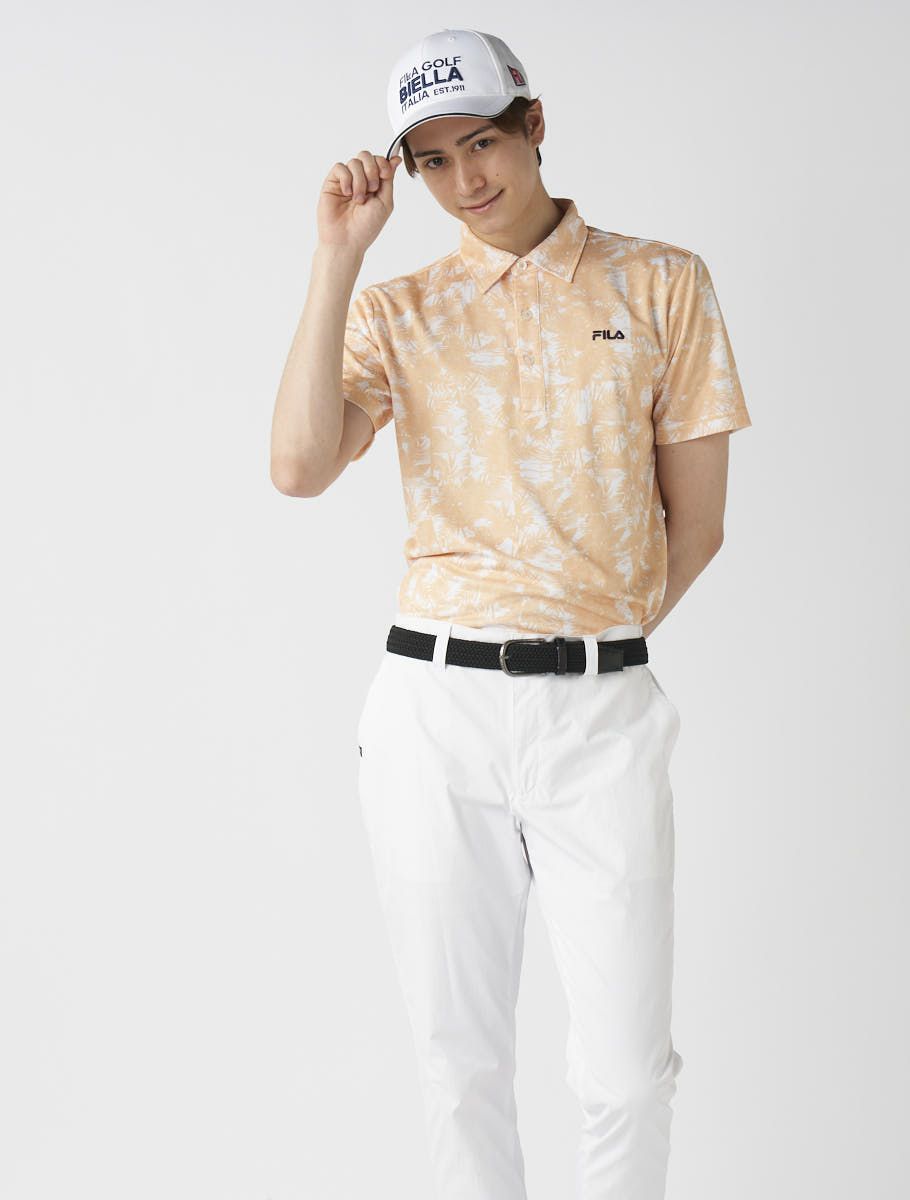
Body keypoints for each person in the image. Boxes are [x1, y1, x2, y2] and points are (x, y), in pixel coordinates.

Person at [270, 27, 751, 1200]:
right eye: (431, 161)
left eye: (480, 142)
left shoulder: (661, 283)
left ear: (534, 125)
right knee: (459, 1063)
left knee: (626, 1073)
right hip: (435, 716)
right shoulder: (399, 309)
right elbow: (298, 466)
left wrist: (590, 637)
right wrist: (335, 259)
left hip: (601, 713)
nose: (463, 179)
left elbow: (697, 525)